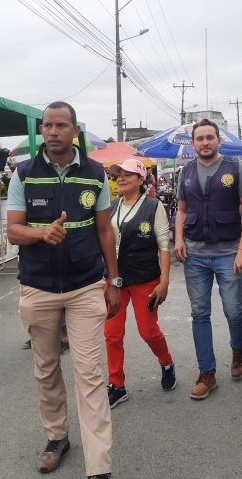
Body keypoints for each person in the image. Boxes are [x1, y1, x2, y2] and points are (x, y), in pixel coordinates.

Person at [7, 101, 120, 479]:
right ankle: (57, 437)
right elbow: (13, 230)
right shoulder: (23, 174)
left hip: (86, 285)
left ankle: (98, 465)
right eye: (47, 125)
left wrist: (114, 280)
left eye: (61, 125)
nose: (53, 132)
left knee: (89, 371)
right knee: (46, 368)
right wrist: (41, 232)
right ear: (42, 131)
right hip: (38, 287)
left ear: (75, 131)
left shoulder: (95, 174)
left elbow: (105, 230)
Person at [174, 118, 242, 400]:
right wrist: (178, 239)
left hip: (228, 252)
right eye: (200, 138)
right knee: (200, 313)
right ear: (193, 143)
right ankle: (206, 372)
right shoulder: (185, 171)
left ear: (219, 140)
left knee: (234, 310)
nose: (205, 142)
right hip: (195, 254)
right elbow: (182, 210)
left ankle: (238, 349)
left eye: (210, 137)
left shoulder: (235, 168)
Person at [104, 158, 176, 409]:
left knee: (148, 331)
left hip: (145, 279)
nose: (120, 178)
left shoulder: (153, 206)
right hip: (115, 280)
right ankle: (117, 384)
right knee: (112, 334)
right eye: (117, 175)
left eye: (127, 174)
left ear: (140, 179)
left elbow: (164, 245)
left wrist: (164, 281)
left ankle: (166, 362)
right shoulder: (112, 207)